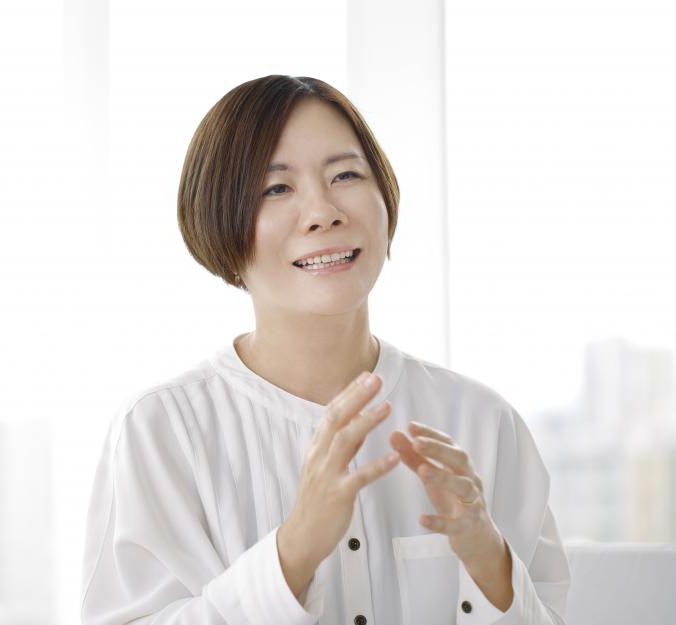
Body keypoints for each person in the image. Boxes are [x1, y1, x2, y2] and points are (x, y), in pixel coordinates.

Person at [80, 75, 571, 625]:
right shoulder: (162, 429)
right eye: (276, 189)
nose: (323, 212)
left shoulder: (483, 420)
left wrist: (490, 566)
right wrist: (294, 551)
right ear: (218, 219)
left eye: (346, 175)